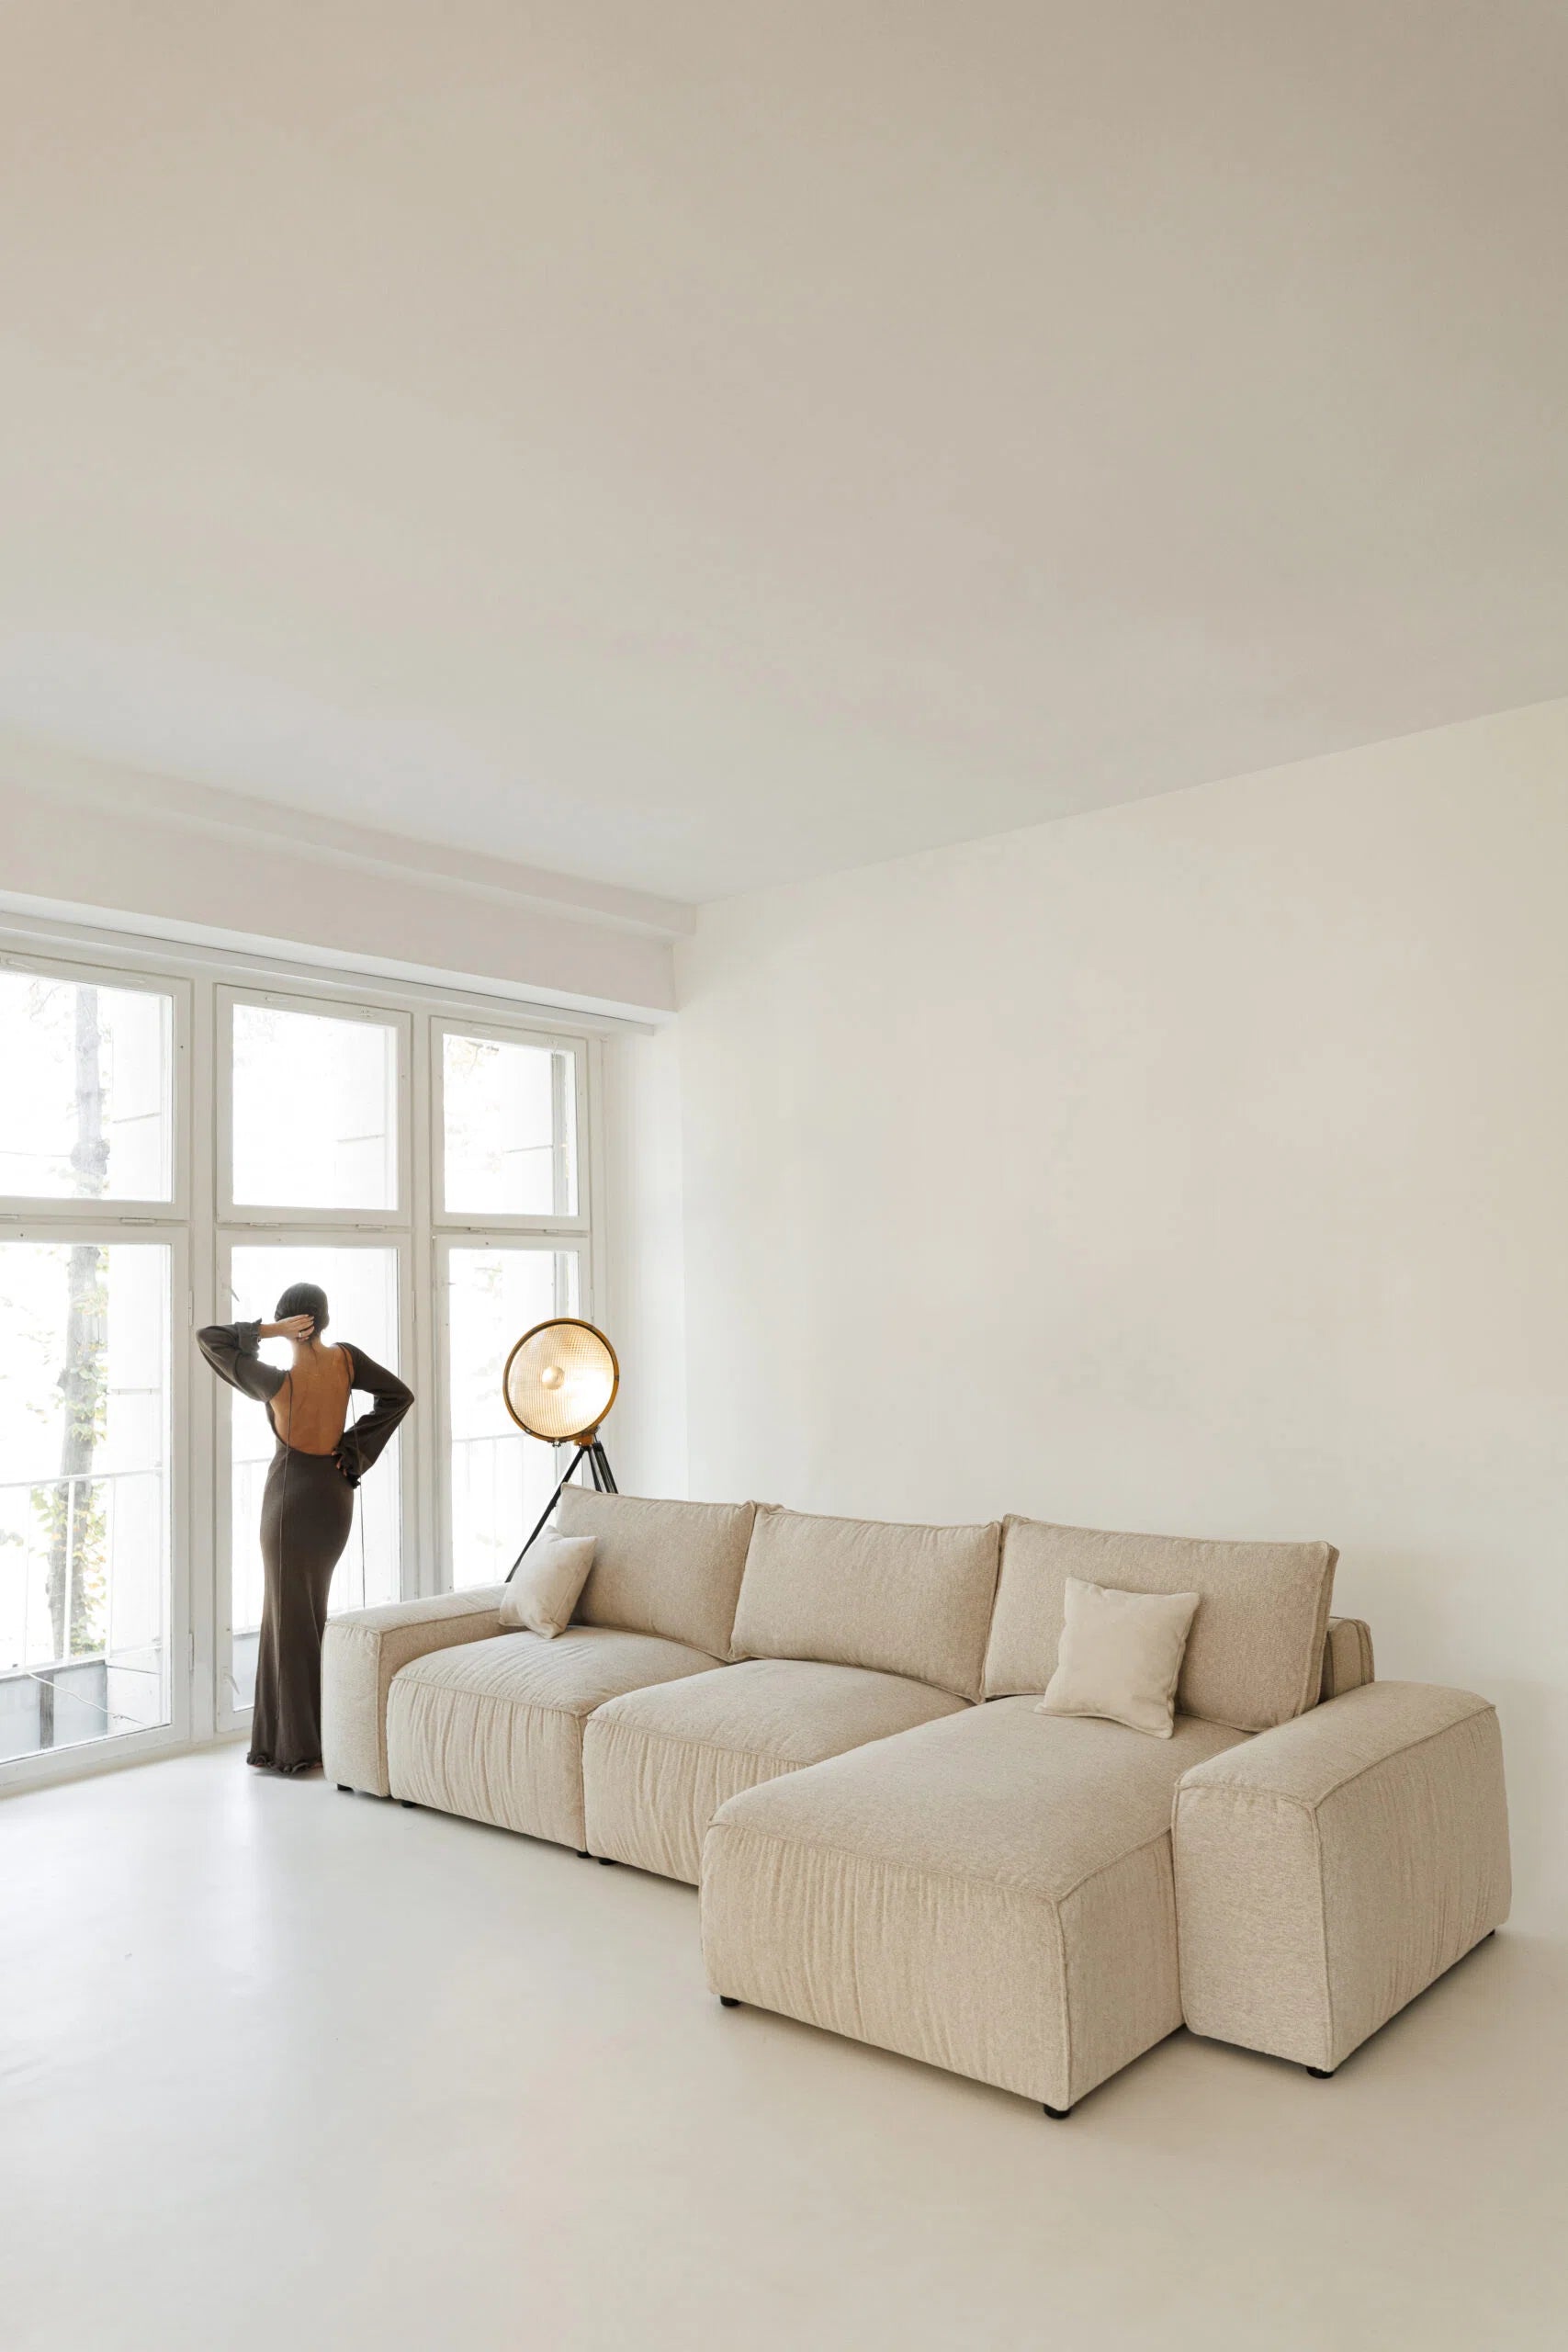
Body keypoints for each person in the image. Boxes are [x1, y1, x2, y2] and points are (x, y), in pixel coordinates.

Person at [197, 1283, 412, 1774]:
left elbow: (210, 1338)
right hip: (333, 1496)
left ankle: (294, 1749)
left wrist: (268, 1331)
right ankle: (316, 1737)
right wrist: (353, 1450)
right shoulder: (347, 1361)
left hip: (290, 1504)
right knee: (309, 1617)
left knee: (288, 1622)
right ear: (325, 1318)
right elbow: (398, 1396)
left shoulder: (276, 1381)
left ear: (289, 1322)